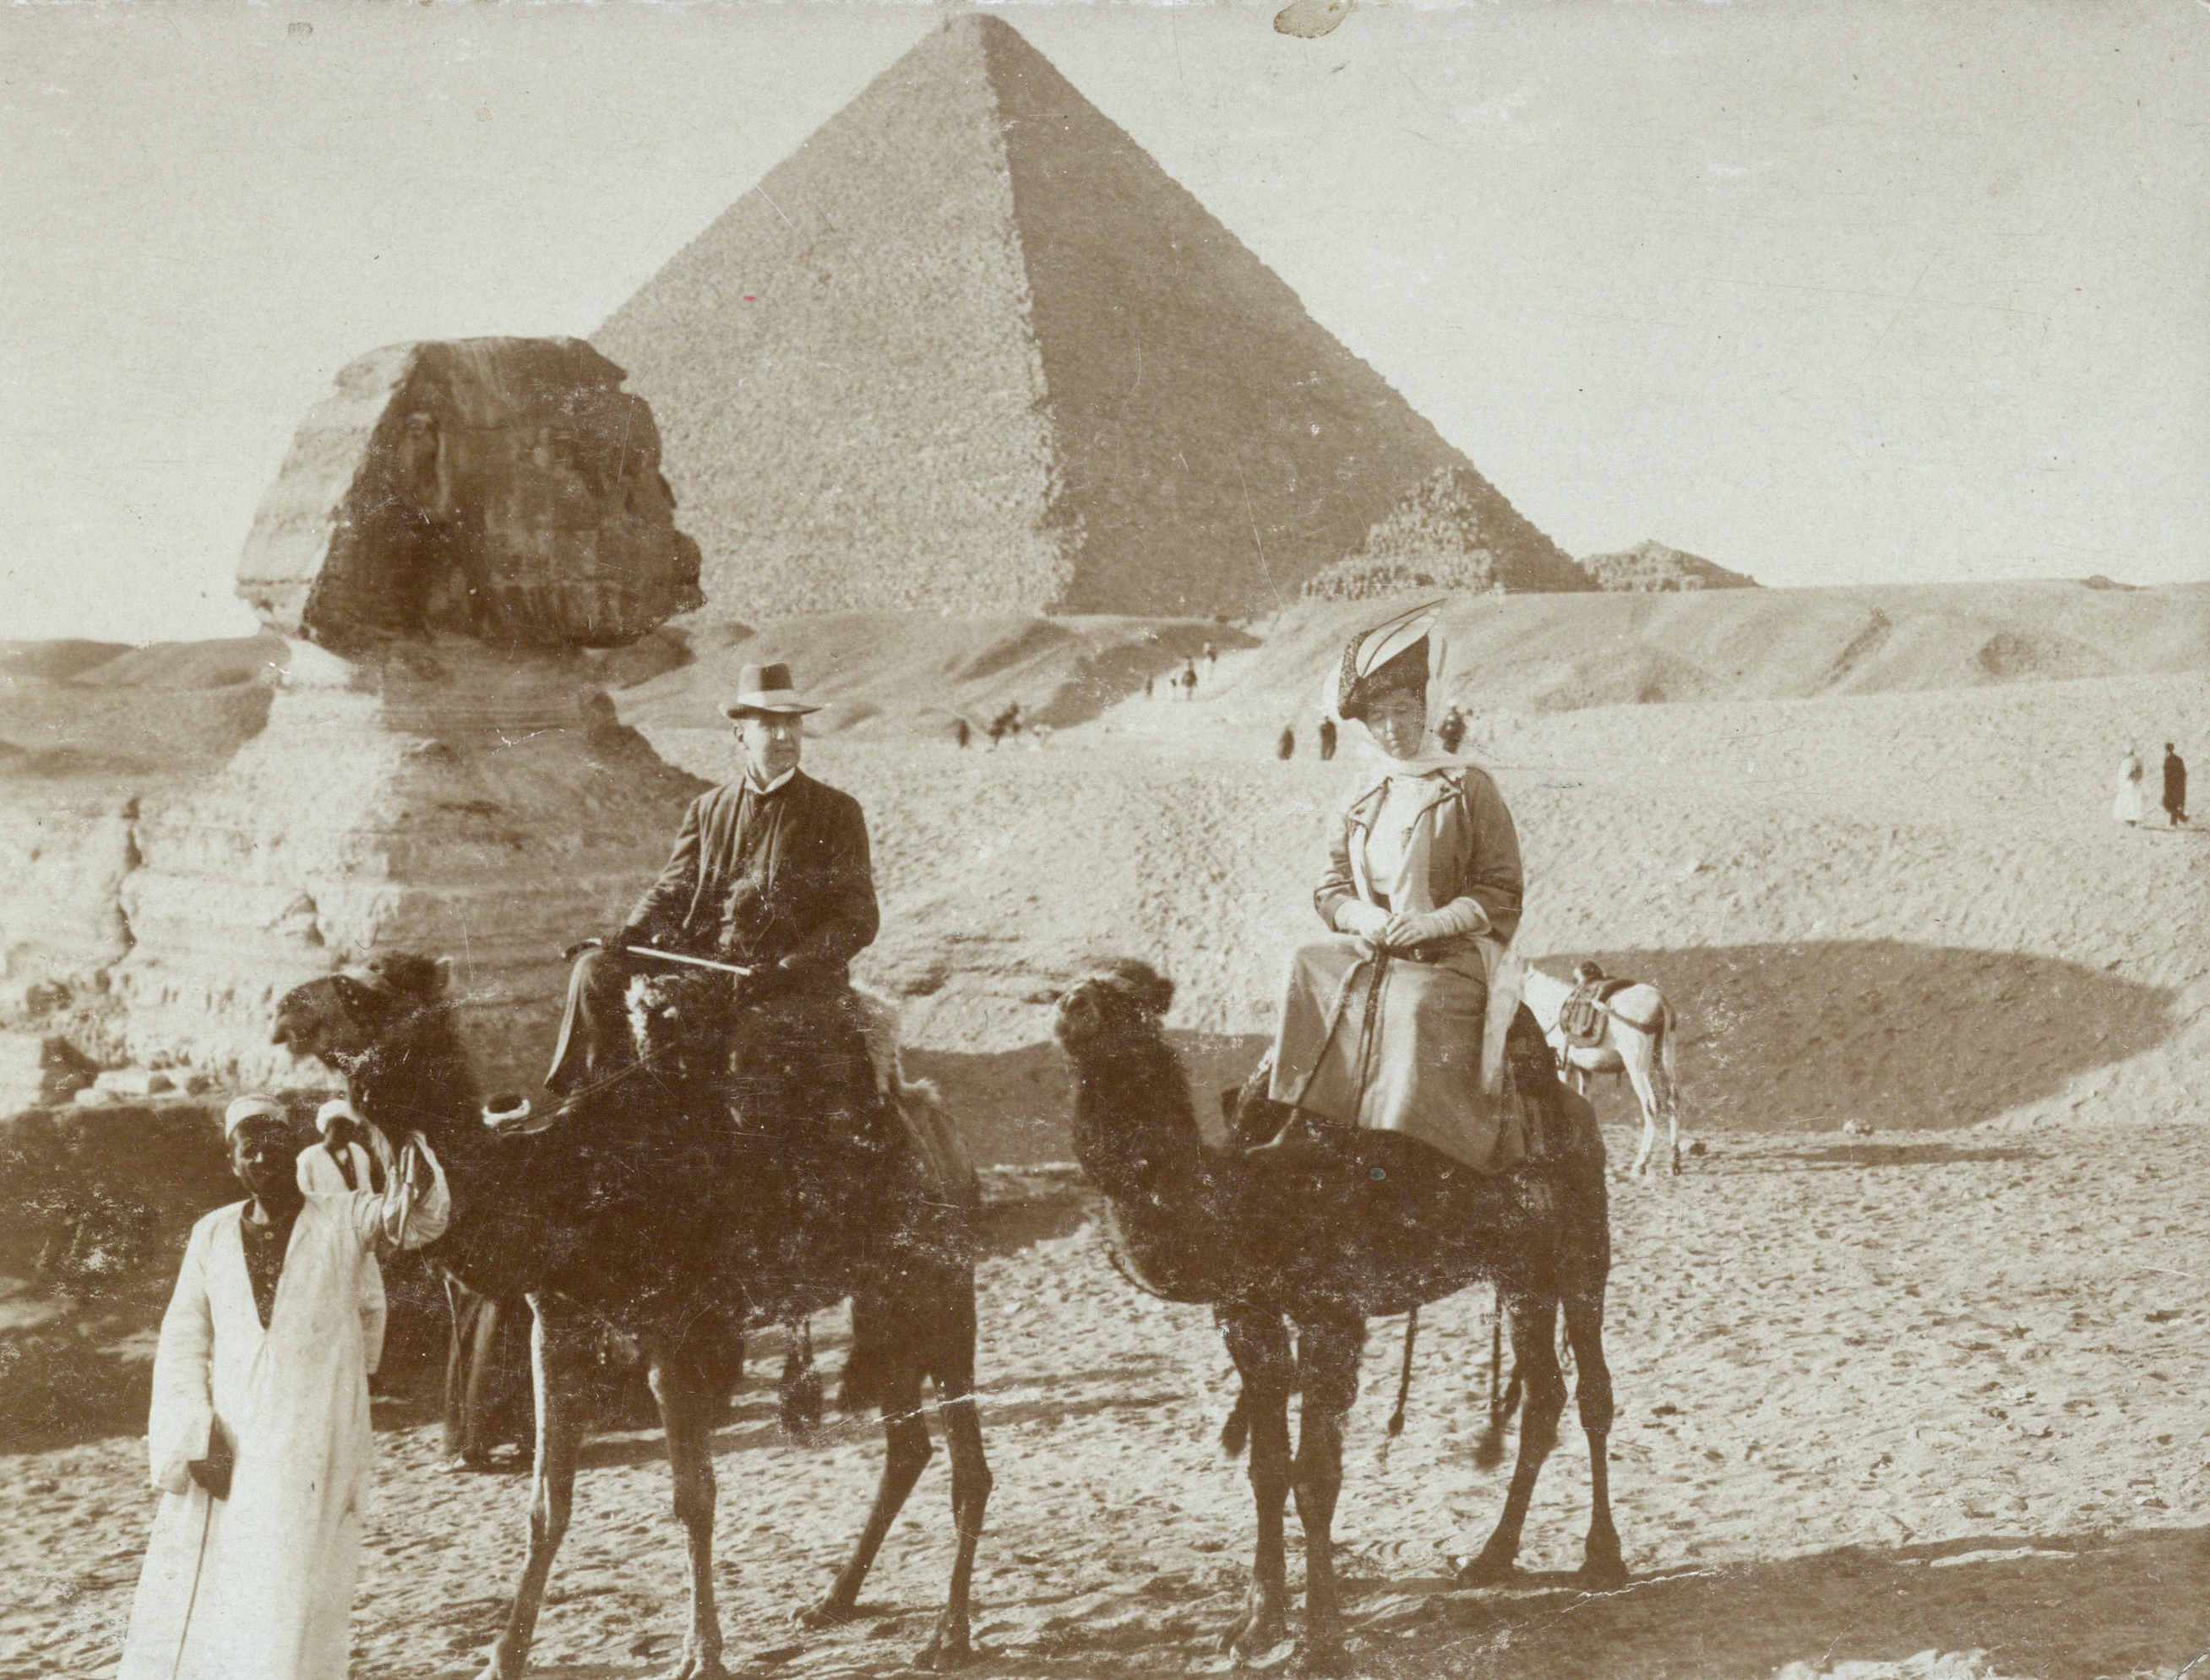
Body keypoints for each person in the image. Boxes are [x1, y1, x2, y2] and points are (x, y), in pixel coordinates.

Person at [117, 1094, 449, 1680]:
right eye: (248, 1150)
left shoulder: (345, 1216)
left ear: (296, 1149)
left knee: (303, 1578)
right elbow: (183, 1339)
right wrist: (195, 1432)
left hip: (317, 1437)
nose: (261, 1158)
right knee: (225, 1576)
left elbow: (418, 1217)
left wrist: (408, 1135)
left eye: (272, 1145)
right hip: (232, 1442)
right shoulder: (211, 1234)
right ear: (232, 1162)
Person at [543, 661, 889, 1175]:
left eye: (792, 723)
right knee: (593, 970)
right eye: (768, 724)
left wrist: (788, 968)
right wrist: (630, 932)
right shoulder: (708, 808)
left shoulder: (836, 811)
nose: (784, 736)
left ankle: (756, 1179)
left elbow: (858, 917)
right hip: (709, 968)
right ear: (739, 733)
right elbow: (672, 887)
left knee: (753, 1046)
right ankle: (587, 1100)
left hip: (793, 984)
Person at [1249, 601, 1526, 1172]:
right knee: (1306, 965)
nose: (1392, 728)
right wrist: (1367, 919)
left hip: (1450, 954)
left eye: (1403, 710)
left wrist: (1433, 922)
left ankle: (1414, 1146)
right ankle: (1311, 1122)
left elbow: (1502, 888)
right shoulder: (1363, 791)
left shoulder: (1469, 786)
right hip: (1376, 946)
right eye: (1377, 717)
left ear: (1427, 708)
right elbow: (1330, 885)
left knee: (1415, 1005)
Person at [295, 1098, 392, 1379]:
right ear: (325, 1128)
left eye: (348, 1127)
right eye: (337, 1126)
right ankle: (335, 1375)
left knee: (373, 1305)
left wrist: (377, 1234)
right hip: (328, 1244)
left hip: (362, 1239)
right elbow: (303, 1205)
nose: (343, 1132)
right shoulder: (308, 1159)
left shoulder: (359, 1154)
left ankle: (368, 1372)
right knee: (334, 1308)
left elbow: (368, 1195)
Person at [2115, 745, 2145, 827]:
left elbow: (2122, 774)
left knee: (2128, 800)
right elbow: (2140, 773)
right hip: (2135, 783)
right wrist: (2137, 779)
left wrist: (2122, 782)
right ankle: (2133, 819)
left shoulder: (2126, 762)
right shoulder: (2137, 761)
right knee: (2134, 801)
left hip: (2128, 783)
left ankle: (2129, 818)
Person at [2164, 742, 2188, 827]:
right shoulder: (2176, 759)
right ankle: (2182, 818)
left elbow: (2180, 773)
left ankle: (2174, 822)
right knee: (2170, 803)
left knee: (2173, 803)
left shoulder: (2171, 760)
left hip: (2174, 785)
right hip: (2174, 785)